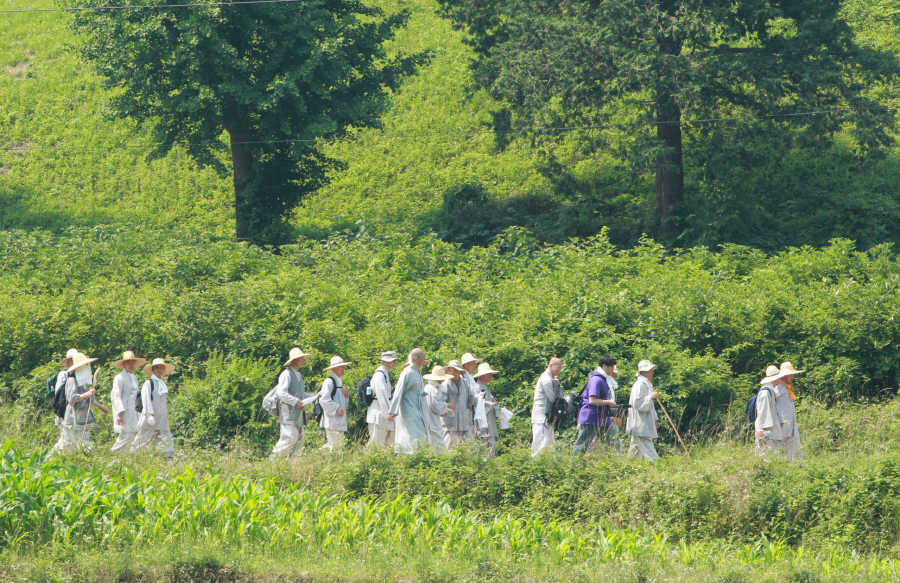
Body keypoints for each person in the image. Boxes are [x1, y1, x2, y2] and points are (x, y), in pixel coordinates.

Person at [53, 352, 108, 453]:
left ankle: (56, 458)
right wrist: (88, 393)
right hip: (73, 418)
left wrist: (101, 407)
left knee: (67, 444)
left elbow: (89, 398)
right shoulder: (72, 380)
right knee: (81, 443)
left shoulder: (82, 381)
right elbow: (72, 399)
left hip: (80, 417)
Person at [272, 347, 317, 459]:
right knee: (289, 439)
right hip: (289, 414)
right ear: (294, 360)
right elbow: (281, 393)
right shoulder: (286, 374)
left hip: (298, 415)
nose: (303, 360)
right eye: (300, 358)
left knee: (298, 443)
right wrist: (295, 401)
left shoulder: (299, 376)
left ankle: (291, 466)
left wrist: (315, 396)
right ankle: (272, 461)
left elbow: (302, 395)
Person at [572, 355, 619, 455]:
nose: (613, 369)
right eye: (611, 366)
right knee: (581, 447)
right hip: (590, 417)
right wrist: (609, 402)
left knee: (614, 444)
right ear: (604, 366)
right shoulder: (597, 379)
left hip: (603, 418)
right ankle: (573, 463)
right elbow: (592, 400)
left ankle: (616, 462)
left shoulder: (604, 379)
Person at [131, 358, 176, 460]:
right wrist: (149, 415)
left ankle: (167, 458)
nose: (159, 370)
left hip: (161, 418)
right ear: (153, 370)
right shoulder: (149, 383)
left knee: (165, 438)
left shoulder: (162, 384)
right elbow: (146, 399)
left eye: (161, 368)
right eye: (157, 368)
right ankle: (133, 457)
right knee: (143, 439)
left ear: (164, 370)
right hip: (150, 418)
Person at [388, 348, 429, 454]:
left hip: (417, 408)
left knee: (419, 434)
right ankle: (408, 457)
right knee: (413, 434)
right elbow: (398, 391)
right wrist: (393, 411)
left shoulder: (417, 372)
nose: (424, 360)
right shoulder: (408, 372)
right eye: (423, 357)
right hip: (409, 408)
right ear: (416, 358)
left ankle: (417, 458)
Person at [110, 350, 146, 455]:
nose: (130, 364)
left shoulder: (134, 378)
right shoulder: (119, 378)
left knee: (134, 435)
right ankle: (116, 455)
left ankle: (130, 457)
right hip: (124, 411)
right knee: (125, 436)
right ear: (124, 364)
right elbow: (115, 396)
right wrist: (119, 413)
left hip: (134, 411)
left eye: (132, 362)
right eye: (128, 362)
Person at [626, 360, 659, 460]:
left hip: (645, 422)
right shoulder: (639, 384)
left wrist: (654, 420)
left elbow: (650, 406)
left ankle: (629, 465)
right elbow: (637, 403)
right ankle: (656, 464)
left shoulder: (647, 384)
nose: (653, 372)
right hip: (640, 423)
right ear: (644, 372)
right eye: (651, 370)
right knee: (648, 447)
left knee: (635, 448)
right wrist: (650, 397)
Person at [318, 355, 352, 454]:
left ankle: (319, 456)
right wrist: (337, 408)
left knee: (337, 445)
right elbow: (323, 399)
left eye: (343, 366)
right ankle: (319, 456)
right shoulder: (329, 381)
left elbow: (343, 402)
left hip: (339, 419)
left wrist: (346, 396)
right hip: (331, 419)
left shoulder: (339, 381)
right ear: (333, 368)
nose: (343, 369)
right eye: (340, 367)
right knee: (334, 446)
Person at [441, 360, 478, 448]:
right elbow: (442, 403)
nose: (452, 373)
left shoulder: (465, 383)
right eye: (450, 370)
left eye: (454, 370)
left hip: (464, 424)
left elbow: (471, 397)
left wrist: (478, 399)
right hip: (450, 426)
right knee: (450, 451)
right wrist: (448, 406)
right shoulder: (445, 385)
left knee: (470, 450)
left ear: (459, 371)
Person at [531, 358, 563, 457]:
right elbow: (554, 399)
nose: (559, 370)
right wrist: (556, 386)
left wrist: (557, 385)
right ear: (551, 365)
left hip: (547, 417)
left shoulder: (552, 379)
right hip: (542, 417)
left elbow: (559, 397)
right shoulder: (546, 380)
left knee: (549, 445)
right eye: (558, 367)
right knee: (540, 445)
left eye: (560, 368)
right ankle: (536, 464)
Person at [775, 362, 805, 462]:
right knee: (778, 456)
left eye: (792, 374)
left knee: (796, 456)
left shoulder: (787, 387)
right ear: (783, 375)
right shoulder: (778, 388)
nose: (792, 377)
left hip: (791, 428)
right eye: (789, 374)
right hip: (782, 428)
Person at [366, 351, 398, 449]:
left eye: (395, 360)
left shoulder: (385, 374)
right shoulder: (379, 375)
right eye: (392, 360)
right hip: (378, 412)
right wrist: (388, 414)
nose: (394, 362)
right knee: (376, 444)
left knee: (386, 443)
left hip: (382, 412)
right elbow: (381, 396)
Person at [422, 366, 456, 452]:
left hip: (433, 421)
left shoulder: (433, 388)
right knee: (438, 448)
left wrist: (447, 410)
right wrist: (448, 405)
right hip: (432, 423)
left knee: (435, 446)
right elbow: (437, 406)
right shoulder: (432, 389)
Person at [754, 365, 785, 458]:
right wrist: (762, 429)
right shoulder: (765, 393)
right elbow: (763, 411)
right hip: (767, 432)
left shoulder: (771, 391)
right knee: (767, 457)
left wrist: (780, 421)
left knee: (773, 457)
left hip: (772, 431)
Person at [472, 362, 501, 457]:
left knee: (491, 447)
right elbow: (476, 404)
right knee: (484, 448)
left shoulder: (486, 388)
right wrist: (491, 404)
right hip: (482, 424)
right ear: (481, 375)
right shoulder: (477, 388)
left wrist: (496, 406)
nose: (490, 375)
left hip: (489, 423)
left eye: (490, 373)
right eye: (487, 373)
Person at [460, 353, 483, 435]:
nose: (474, 365)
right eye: (472, 363)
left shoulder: (470, 377)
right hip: (467, 410)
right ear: (466, 365)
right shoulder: (463, 377)